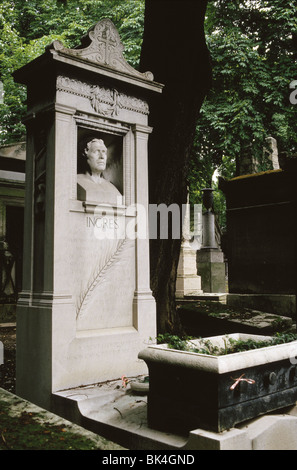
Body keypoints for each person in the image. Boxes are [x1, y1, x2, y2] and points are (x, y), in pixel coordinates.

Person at [77, 138, 122, 204]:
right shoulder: (77, 180)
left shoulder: (112, 188)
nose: (102, 156)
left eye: (104, 152)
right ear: (85, 153)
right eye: (96, 151)